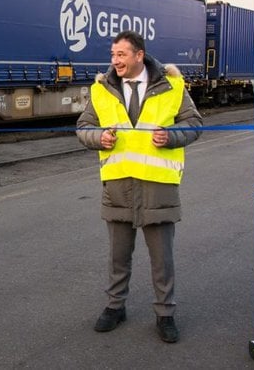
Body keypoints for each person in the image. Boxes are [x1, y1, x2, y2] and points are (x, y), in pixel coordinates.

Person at [76, 30, 202, 343]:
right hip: (118, 185)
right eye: (113, 55)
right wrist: (99, 137)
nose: (114, 60)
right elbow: (84, 127)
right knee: (118, 255)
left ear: (138, 55)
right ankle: (115, 307)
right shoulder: (101, 89)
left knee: (162, 258)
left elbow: (194, 122)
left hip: (158, 187)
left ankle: (165, 313)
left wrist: (171, 136)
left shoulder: (172, 86)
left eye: (121, 54)